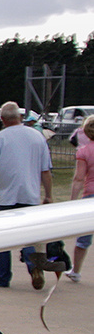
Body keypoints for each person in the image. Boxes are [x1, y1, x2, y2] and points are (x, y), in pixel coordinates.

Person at [0, 101, 55, 288]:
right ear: (20, 117)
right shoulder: (38, 137)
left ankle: (3, 276)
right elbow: (45, 170)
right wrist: (48, 195)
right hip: (29, 194)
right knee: (28, 235)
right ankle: (33, 266)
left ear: (3, 120)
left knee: (1, 239)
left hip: (4, 195)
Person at [67, 114, 94, 283]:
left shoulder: (84, 152)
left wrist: (72, 200)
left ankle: (76, 271)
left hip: (90, 195)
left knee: (83, 237)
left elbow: (78, 178)